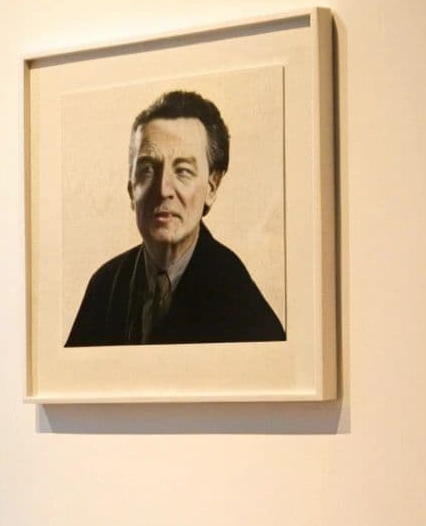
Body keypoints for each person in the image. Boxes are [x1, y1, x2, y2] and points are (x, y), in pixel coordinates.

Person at [65, 89, 286, 346]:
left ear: (212, 187)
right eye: (148, 169)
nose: (163, 190)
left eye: (183, 171)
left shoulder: (238, 299)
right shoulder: (104, 286)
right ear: (130, 188)